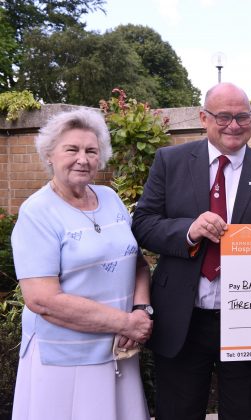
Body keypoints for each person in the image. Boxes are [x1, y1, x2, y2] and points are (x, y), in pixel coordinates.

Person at [131, 82, 251, 420]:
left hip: (248, 324)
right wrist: (188, 231)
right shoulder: (170, 161)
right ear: (203, 118)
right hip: (182, 319)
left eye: (242, 117)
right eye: (223, 117)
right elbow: (143, 224)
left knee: (245, 414)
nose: (233, 126)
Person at [10, 109, 153, 420]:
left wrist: (141, 311)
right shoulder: (37, 212)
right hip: (64, 358)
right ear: (49, 154)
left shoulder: (110, 198)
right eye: (71, 149)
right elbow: (42, 299)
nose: (83, 159)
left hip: (118, 351)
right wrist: (124, 322)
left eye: (91, 150)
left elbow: (138, 264)